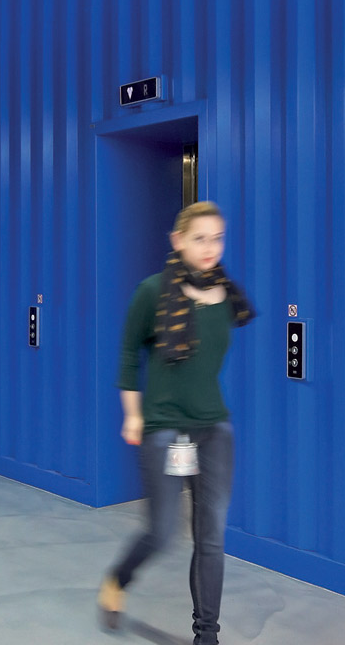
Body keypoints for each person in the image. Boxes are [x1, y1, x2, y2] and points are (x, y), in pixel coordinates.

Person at [98, 201, 255, 645]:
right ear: (178, 241)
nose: (210, 248)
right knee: (162, 531)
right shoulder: (152, 292)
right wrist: (133, 414)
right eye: (200, 238)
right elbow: (130, 353)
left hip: (214, 428)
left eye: (217, 238)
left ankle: (207, 635)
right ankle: (118, 579)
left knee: (211, 538)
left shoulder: (228, 296)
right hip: (165, 428)